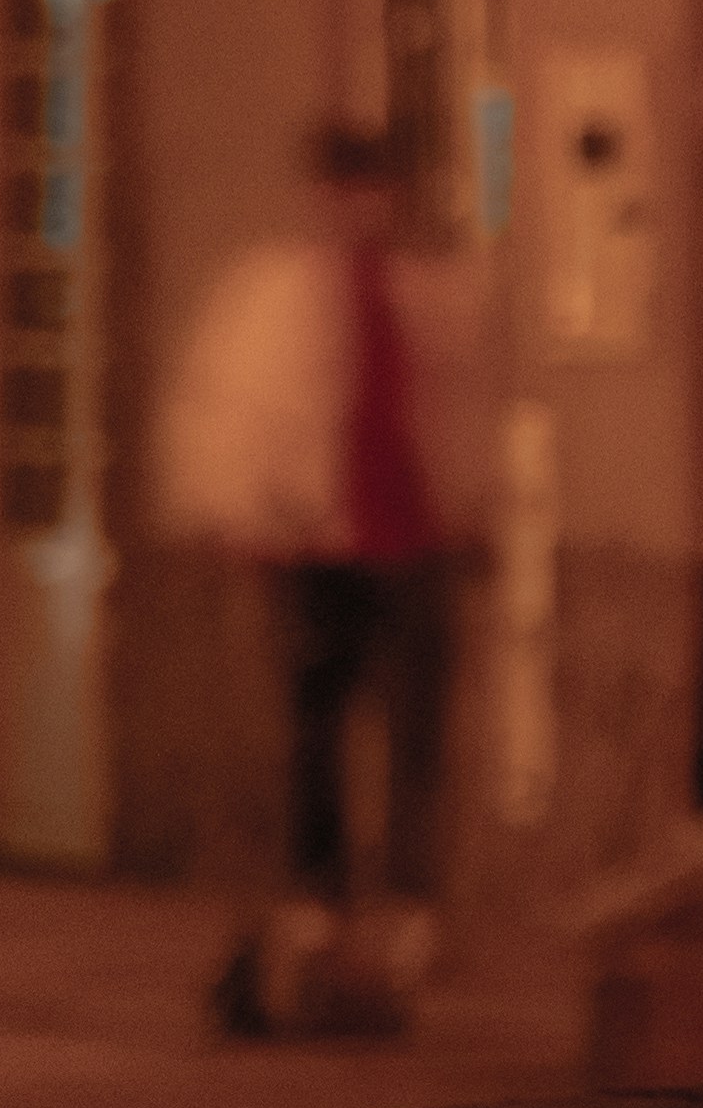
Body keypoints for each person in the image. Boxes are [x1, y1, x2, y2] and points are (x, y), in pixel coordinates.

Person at [153, 122, 470, 1037]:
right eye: (344, 191)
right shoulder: (272, 293)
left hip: (413, 539)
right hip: (312, 543)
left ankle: (409, 904)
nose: (361, 209)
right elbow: (225, 406)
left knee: (415, 734)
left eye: (374, 190)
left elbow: (462, 408)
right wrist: (235, 509)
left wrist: (472, 503)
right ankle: (316, 898)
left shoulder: (432, 292)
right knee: (313, 729)